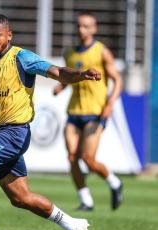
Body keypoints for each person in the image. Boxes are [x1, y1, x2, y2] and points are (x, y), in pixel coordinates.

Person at [0, 14, 102, 230]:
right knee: (20, 198)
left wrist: (80, 74)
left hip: (15, 133)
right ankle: (73, 224)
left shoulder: (21, 58)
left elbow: (58, 72)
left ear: (8, 35)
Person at [53, 12, 123, 211]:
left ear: (94, 29)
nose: (81, 29)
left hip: (95, 112)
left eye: (85, 26)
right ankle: (86, 200)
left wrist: (110, 104)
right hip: (74, 112)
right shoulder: (69, 53)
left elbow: (118, 80)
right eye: (79, 26)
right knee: (72, 156)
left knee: (88, 159)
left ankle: (115, 183)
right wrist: (61, 87)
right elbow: (70, 77)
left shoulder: (101, 51)